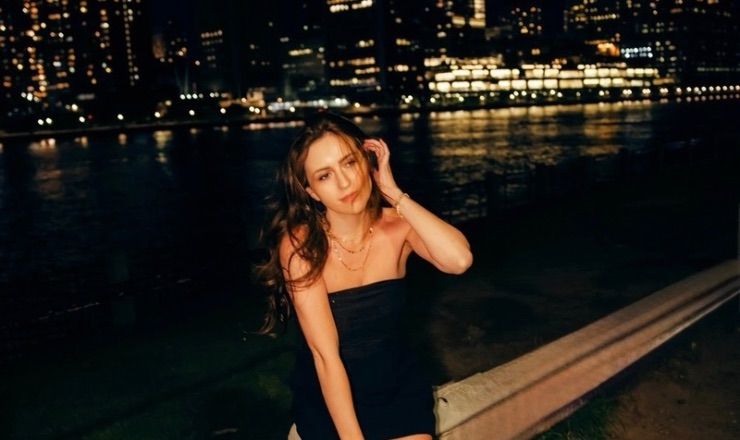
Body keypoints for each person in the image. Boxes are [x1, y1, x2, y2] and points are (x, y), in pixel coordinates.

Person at [253, 111, 473, 440]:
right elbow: (325, 357)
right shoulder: (301, 245)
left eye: (349, 162)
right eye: (325, 175)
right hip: (329, 396)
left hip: (397, 386)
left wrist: (393, 193)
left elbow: (459, 260)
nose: (345, 183)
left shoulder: (399, 226)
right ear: (311, 191)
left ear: (366, 161)